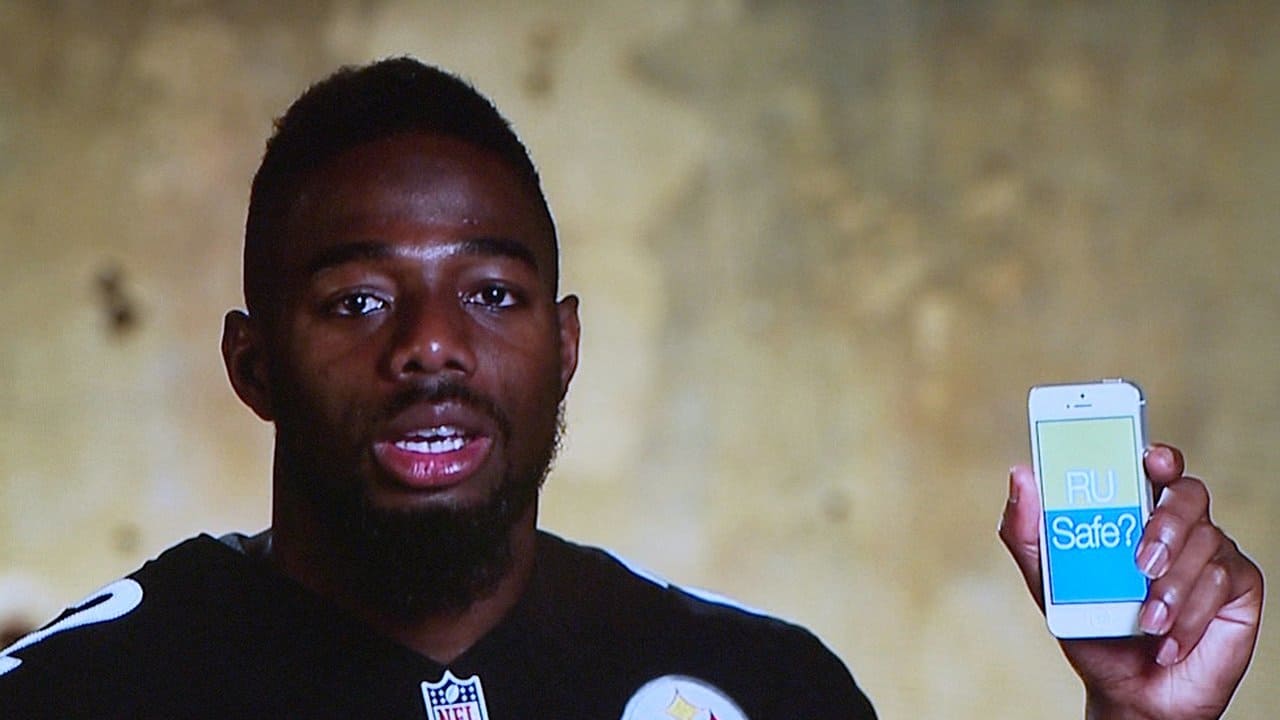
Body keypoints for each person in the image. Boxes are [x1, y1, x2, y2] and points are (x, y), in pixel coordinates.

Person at [0, 57, 1261, 719]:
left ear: (565, 347)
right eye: (357, 301)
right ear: (252, 365)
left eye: (492, 293)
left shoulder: (764, 688)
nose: (430, 346)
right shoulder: (82, 695)